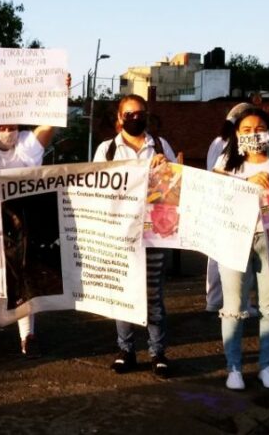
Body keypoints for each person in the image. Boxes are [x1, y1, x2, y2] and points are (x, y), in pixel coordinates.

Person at [0, 67, 69, 360]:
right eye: (2, 125)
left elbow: (48, 124)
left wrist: (60, 92)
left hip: (21, 223)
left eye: (12, 124)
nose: (7, 130)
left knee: (24, 277)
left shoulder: (25, 143)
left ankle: (28, 336)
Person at [93, 94, 175, 378]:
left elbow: (176, 188)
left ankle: (157, 352)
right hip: (119, 234)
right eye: (129, 114)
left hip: (154, 234)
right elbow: (95, 189)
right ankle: (125, 350)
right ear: (119, 118)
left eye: (140, 113)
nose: (135, 118)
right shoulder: (106, 150)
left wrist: (167, 168)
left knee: (154, 295)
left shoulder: (161, 146)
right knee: (123, 293)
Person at [212, 107, 269, 390]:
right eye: (247, 130)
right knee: (233, 308)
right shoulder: (226, 161)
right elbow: (213, 193)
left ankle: (267, 367)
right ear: (237, 134)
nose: (254, 134)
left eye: (260, 129)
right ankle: (234, 368)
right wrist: (246, 183)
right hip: (234, 240)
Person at [204, 103, 253, 314]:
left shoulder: (217, 142)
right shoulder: (234, 145)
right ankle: (240, 303)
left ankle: (214, 300)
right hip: (235, 204)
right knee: (237, 257)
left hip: (216, 202)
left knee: (215, 255)